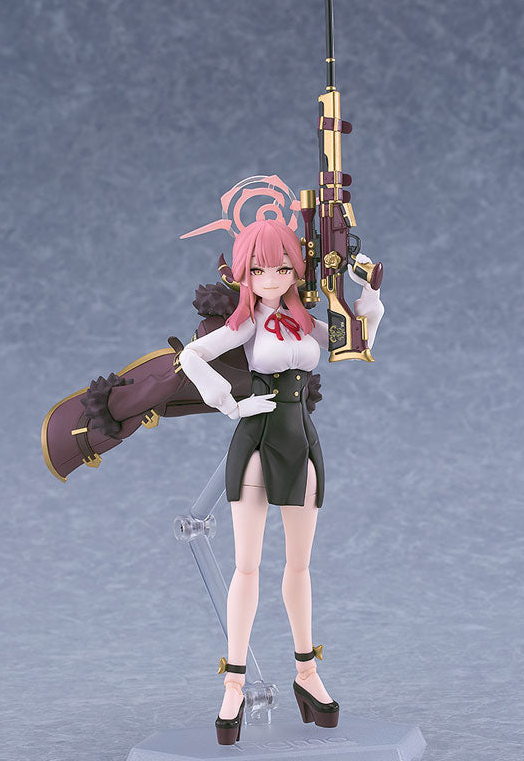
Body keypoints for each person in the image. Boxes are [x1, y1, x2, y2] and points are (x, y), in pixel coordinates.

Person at [178, 218, 384, 744]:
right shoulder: (247, 322)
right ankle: (233, 684)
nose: (271, 279)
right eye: (260, 269)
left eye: (283, 268)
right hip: (257, 437)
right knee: (247, 566)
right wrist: (231, 404)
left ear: (298, 268)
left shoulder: (307, 321)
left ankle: (307, 675)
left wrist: (368, 295)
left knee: (300, 565)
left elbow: (355, 340)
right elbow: (191, 356)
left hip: (300, 440)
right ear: (244, 273)